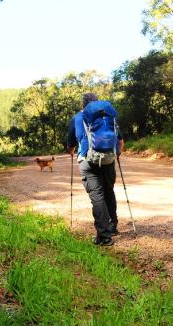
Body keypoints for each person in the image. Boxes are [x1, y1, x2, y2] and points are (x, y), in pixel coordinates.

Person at [67, 93, 124, 246]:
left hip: (87, 161)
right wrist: (115, 155)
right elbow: (120, 141)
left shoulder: (77, 118)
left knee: (97, 196)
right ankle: (112, 226)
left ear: (83, 104)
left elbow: (71, 145)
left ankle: (104, 237)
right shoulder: (108, 116)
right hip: (108, 160)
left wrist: (72, 150)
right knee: (109, 192)